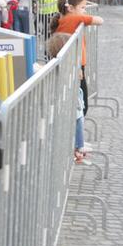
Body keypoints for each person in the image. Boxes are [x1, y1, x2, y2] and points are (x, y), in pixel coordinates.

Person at [51, 0, 104, 116]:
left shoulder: (64, 19)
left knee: (77, 98)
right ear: (70, 8)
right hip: (75, 64)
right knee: (81, 103)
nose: (85, 11)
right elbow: (100, 20)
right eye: (82, 8)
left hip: (73, 62)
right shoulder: (73, 18)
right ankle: (76, 125)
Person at [45, 32, 88, 164]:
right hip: (68, 115)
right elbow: (78, 119)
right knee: (77, 116)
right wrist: (79, 146)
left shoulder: (53, 68)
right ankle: (76, 149)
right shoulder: (69, 72)